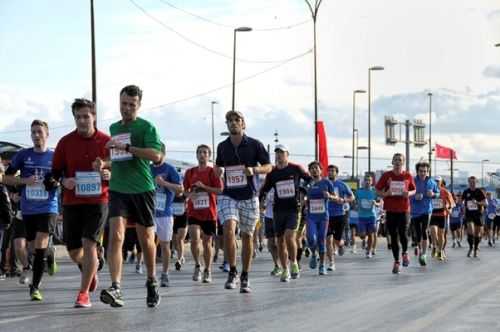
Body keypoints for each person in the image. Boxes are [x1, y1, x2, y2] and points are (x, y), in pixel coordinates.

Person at [100, 85, 162, 308]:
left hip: (142, 189)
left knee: (146, 240)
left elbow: (155, 155)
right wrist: (105, 164)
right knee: (116, 235)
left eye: (131, 105)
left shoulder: (147, 127)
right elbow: (116, 157)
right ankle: (116, 287)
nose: (126, 108)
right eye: (123, 103)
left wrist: (126, 146)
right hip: (118, 188)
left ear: (139, 105)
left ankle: (152, 280)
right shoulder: (114, 127)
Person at [47, 98, 111, 308]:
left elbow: (120, 169)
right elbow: (54, 175)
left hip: (98, 200)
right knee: (74, 249)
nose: (82, 121)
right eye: (78, 117)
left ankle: (83, 294)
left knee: (89, 243)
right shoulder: (65, 142)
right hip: (72, 201)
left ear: (94, 117)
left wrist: (108, 173)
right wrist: (65, 181)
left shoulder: (106, 141)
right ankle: (89, 269)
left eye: (86, 116)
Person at [215, 110, 271, 293]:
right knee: (228, 228)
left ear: (243, 124)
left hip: (249, 196)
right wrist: (218, 171)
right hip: (228, 195)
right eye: (229, 121)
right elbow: (218, 165)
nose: (233, 123)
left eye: (236, 120)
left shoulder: (255, 145)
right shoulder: (223, 146)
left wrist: (254, 170)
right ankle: (232, 271)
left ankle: (245, 275)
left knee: (247, 236)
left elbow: (268, 167)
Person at [3, 120, 59, 300]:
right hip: (28, 209)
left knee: (40, 245)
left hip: (48, 207)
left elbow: (63, 177)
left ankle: (34, 287)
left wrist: (56, 182)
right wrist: (23, 182)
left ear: (47, 134)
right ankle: (50, 255)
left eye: (39, 132)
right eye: (33, 132)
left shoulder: (55, 156)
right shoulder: (22, 155)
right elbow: (6, 178)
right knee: (33, 247)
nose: (36, 136)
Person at [259, 144, 311, 281]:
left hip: (293, 209)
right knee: (280, 241)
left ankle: (293, 262)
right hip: (278, 210)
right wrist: (260, 200)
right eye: (277, 153)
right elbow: (264, 189)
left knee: (289, 237)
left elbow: (309, 180)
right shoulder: (272, 172)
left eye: (281, 153)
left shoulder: (295, 168)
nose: (279, 156)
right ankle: (285, 269)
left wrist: (303, 192)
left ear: (287, 154)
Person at [184, 144, 223, 283]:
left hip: (209, 213)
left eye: (205, 152)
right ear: (196, 155)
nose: (202, 155)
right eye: (200, 152)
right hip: (194, 211)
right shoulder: (190, 172)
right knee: (194, 239)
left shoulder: (213, 172)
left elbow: (220, 190)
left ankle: (208, 270)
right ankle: (197, 265)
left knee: (207, 243)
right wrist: (190, 195)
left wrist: (204, 187)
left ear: (209, 156)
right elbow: (184, 191)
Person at [375, 153, 416, 274]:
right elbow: (377, 189)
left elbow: (414, 189)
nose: (398, 162)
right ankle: (396, 261)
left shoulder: (408, 175)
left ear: (403, 162)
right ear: (392, 162)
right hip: (391, 209)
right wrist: (385, 194)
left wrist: (408, 194)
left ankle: (405, 253)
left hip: (404, 209)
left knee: (403, 233)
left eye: (400, 160)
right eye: (396, 160)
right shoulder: (387, 175)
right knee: (393, 235)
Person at [151, 144, 183, 287]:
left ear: (163, 153)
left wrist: (164, 183)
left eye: (158, 153)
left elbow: (180, 190)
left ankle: (164, 274)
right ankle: (151, 275)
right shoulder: (147, 168)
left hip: (165, 213)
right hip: (150, 212)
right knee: (149, 245)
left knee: (165, 245)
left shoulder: (169, 169)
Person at [305, 161, 336, 275]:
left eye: (316, 168)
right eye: (312, 168)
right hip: (311, 216)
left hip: (323, 217)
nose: (314, 170)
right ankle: (314, 253)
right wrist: (303, 201)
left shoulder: (326, 182)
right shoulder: (307, 183)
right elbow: (302, 196)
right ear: (309, 171)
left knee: (321, 240)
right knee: (311, 239)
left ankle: (322, 265)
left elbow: (336, 197)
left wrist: (330, 196)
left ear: (321, 170)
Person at [409, 161, 439, 266]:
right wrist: (414, 196)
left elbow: (438, 193)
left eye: (425, 171)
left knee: (424, 230)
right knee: (417, 233)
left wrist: (434, 194)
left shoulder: (432, 182)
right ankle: (419, 247)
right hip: (415, 210)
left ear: (428, 171)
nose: (423, 173)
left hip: (427, 210)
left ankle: (424, 254)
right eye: (421, 171)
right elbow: (407, 194)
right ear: (417, 171)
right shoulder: (412, 181)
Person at [325, 165, 354, 270]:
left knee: (337, 240)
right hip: (326, 215)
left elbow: (352, 197)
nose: (331, 172)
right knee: (328, 239)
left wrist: (344, 200)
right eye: (329, 171)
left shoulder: (342, 184)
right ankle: (331, 263)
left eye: (333, 171)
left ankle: (341, 244)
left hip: (339, 215)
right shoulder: (324, 184)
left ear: (336, 173)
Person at [429, 176, 454, 261]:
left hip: (442, 215)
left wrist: (447, 208)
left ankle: (440, 251)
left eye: (438, 181)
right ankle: (434, 246)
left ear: (441, 182)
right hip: (432, 215)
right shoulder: (430, 191)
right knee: (433, 231)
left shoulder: (445, 192)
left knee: (441, 234)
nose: (436, 182)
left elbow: (452, 204)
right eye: (434, 181)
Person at [462, 176, 486, 258]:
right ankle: (470, 247)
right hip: (469, 215)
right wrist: (464, 211)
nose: (472, 183)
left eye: (474, 182)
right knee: (471, 231)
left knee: (477, 234)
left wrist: (477, 203)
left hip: (478, 215)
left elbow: (485, 203)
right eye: (470, 182)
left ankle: (475, 249)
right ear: (468, 182)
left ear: (476, 182)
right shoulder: (466, 191)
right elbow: (463, 202)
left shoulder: (479, 191)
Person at [356, 174, 379, 258]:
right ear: (363, 181)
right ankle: (363, 240)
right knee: (362, 235)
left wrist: (375, 203)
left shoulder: (374, 192)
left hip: (371, 216)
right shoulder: (359, 191)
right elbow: (354, 201)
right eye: (366, 180)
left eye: (369, 180)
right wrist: (355, 204)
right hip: (361, 216)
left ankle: (368, 251)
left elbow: (380, 202)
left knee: (371, 234)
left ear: (372, 182)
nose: (367, 182)